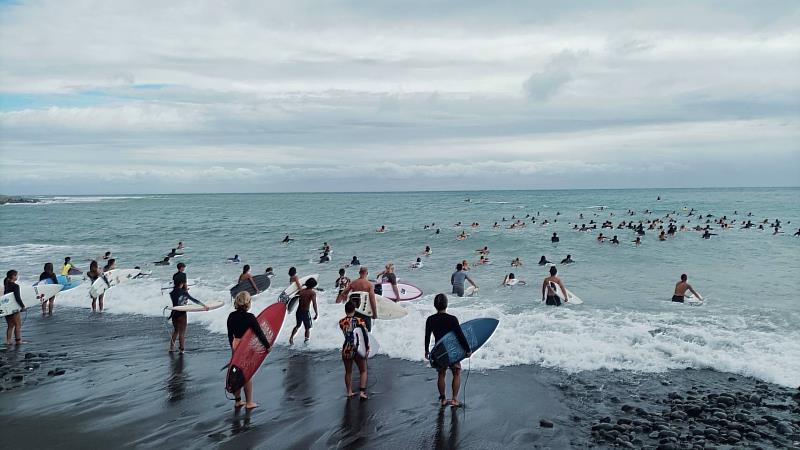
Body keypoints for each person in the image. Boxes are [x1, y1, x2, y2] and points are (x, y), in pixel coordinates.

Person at [424, 294, 471, 407]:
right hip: (452, 350)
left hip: (439, 351)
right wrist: (467, 350)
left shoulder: (430, 319)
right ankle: (454, 399)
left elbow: (427, 336)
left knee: (441, 374)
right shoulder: (452, 319)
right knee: (456, 372)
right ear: (446, 304)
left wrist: (427, 350)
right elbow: (460, 336)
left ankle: (443, 399)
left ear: (435, 305)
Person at [227, 292, 271, 409]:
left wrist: (233, 348)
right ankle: (249, 402)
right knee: (247, 373)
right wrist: (267, 346)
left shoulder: (231, 316)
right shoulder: (250, 317)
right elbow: (259, 333)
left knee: (236, 372)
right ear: (248, 303)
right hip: (246, 346)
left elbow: (230, 335)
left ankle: (237, 401)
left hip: (236, 344)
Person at [169, 262, 207, 353]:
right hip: (182, 313)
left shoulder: (172, 293)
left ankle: (171, 348)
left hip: (174, 313)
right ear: (182, 283)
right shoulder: (184, 292)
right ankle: (182, 349)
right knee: (182, 332)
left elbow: (177, 300)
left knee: (176, 331)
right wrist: (204, 306)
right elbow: (194, 300)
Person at [338, 300, 370, 399]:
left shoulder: (341, 322)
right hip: (357, 348)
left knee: (348, 372)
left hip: (346, 348)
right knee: (363, 370)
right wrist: (367, 347)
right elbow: (364, 335)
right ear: (355, 310)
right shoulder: (360, 321)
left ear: (345, 310)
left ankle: (349, 392)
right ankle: (361, 392)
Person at [336, 266, 378, 332]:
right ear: (367, 273)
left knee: (355, 330)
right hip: (365, 311)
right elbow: (372, 299)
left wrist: (346, 300)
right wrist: (375, 313)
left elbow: (343, 293)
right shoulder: (369, 285)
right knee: (367, 332)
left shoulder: (353, 283)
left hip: (355, 310)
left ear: (359, 273)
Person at [289, 278, 319, 345]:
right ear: (313, 286)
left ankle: (291, 338)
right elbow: (314, 303)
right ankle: (306, 342)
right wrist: (316, 313)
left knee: (298, 325)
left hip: (298, 311)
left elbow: (293, 299)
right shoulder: (312, 293)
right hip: (305, 312)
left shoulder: (301, 291)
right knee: (307, 328)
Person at [4, 270, 24, 345]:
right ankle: (18, 341)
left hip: (6, 307)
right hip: (14, 307)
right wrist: (23, 306)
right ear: (13, 276)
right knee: (17, 324)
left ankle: (8, 341)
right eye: (16, 275)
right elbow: (17, 298)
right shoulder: (15, 286)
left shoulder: (6, 284)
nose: (17, 276)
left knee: (10, 325)